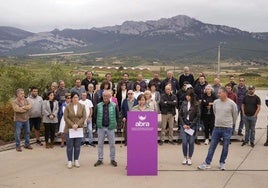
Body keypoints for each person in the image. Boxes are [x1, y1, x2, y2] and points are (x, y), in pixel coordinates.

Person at [198, 87, 237, 170]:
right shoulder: (215, 102)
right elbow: (215, 112)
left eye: (219, 93)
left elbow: (235, 116)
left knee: (225, 147)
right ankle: (207, 163)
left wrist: (230, 125)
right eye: (218, 93)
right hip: (217, 128)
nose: (218, 94)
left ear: (225, 93)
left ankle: (222, 162)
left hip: (227, 128)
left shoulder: (232, 104)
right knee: (212, 146)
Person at [93, 90, 119, 167]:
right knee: (100, 144)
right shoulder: (98, 105)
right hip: (101, 128)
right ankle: (100, 159)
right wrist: (97, 124)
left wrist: (115, 124)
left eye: (107, 96)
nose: (105, 97)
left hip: (110, 128)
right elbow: (95, 116)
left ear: (110, 96)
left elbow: (117, 116)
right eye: (104, 96)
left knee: (112, 145)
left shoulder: (114, 105)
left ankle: (112, 159)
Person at [64, 92, 86, 169]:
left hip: (78, 129)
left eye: (77, 97)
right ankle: (69, 161)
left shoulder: (82, 106)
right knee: (69, 146)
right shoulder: (67, 107)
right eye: (74, 97)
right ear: (71, 98)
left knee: (77, 146)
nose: (75, 99)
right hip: (69, 129)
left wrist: (77, 124)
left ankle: (76, 160)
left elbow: (83, 117)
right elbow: (66, 118)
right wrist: (72, 125)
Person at [179, 90, 199, 165]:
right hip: (184, 125)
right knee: (184, 142)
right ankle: (185, 157)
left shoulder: (196, 104)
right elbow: (180, 115)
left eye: (189, 95)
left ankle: (189, 158)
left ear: (192, 96)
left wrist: (190, 125)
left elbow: (197, 116)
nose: (187, 97)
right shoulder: (183, 103)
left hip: (192, 125)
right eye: (186, 95)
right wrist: (183, 124)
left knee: (191, 142)